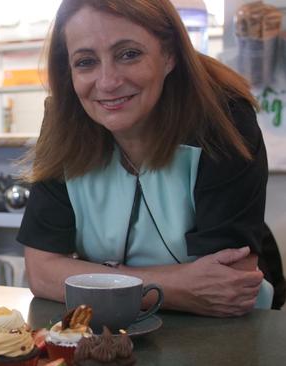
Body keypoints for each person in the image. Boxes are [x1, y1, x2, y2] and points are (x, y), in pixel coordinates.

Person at [17, 0, 285, 317]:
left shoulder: (223, 119)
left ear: (169, 55)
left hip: (225, 332)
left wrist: (98, 276)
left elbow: (226, 287)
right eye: (86, 62)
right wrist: (174, 285)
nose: (107, 82)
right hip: (110, 329)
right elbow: (41, 272)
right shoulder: (64, 126)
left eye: (129, 54)